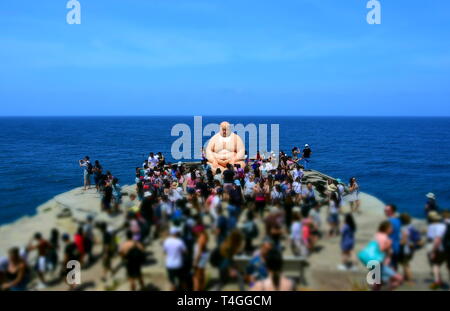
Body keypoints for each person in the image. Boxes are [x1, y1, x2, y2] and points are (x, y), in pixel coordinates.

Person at [374, 220, 403, 290]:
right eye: (390, 228)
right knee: (399, 279)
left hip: (377, 263)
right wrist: (388, 245)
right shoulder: (384, 237)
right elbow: (381, 249)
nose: (392, 229)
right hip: (382, 263)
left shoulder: (377, 235)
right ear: (386, 228)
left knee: (377, 284)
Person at [426, 211, 447, 289]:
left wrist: (433, 251)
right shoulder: (443, 226)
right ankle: (439, 281)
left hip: (433, 246)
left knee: (435, 265)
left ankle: (437, 281)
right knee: (439, 264)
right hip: (443, 247)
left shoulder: (431, 226)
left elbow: (434, 239)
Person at [384, 204, 402, 271]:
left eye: (387, 210)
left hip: (390, 246)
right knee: (394, 264)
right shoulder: (398, 221)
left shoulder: (388, 222)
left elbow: (386, 235)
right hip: (397, 245)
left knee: (388, 265)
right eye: (385, 210)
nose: (385, 212)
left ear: (392, 211)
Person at [192, 226, 209, 291]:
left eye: (196, 231)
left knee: (197, 275)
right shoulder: (203, 236)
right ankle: (201, 287)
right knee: (201, 274)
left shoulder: (201, 238)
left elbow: (199, 252)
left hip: (200, 258)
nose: (195, 232)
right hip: (203, 256)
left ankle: (197, 289)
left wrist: (195, 261)